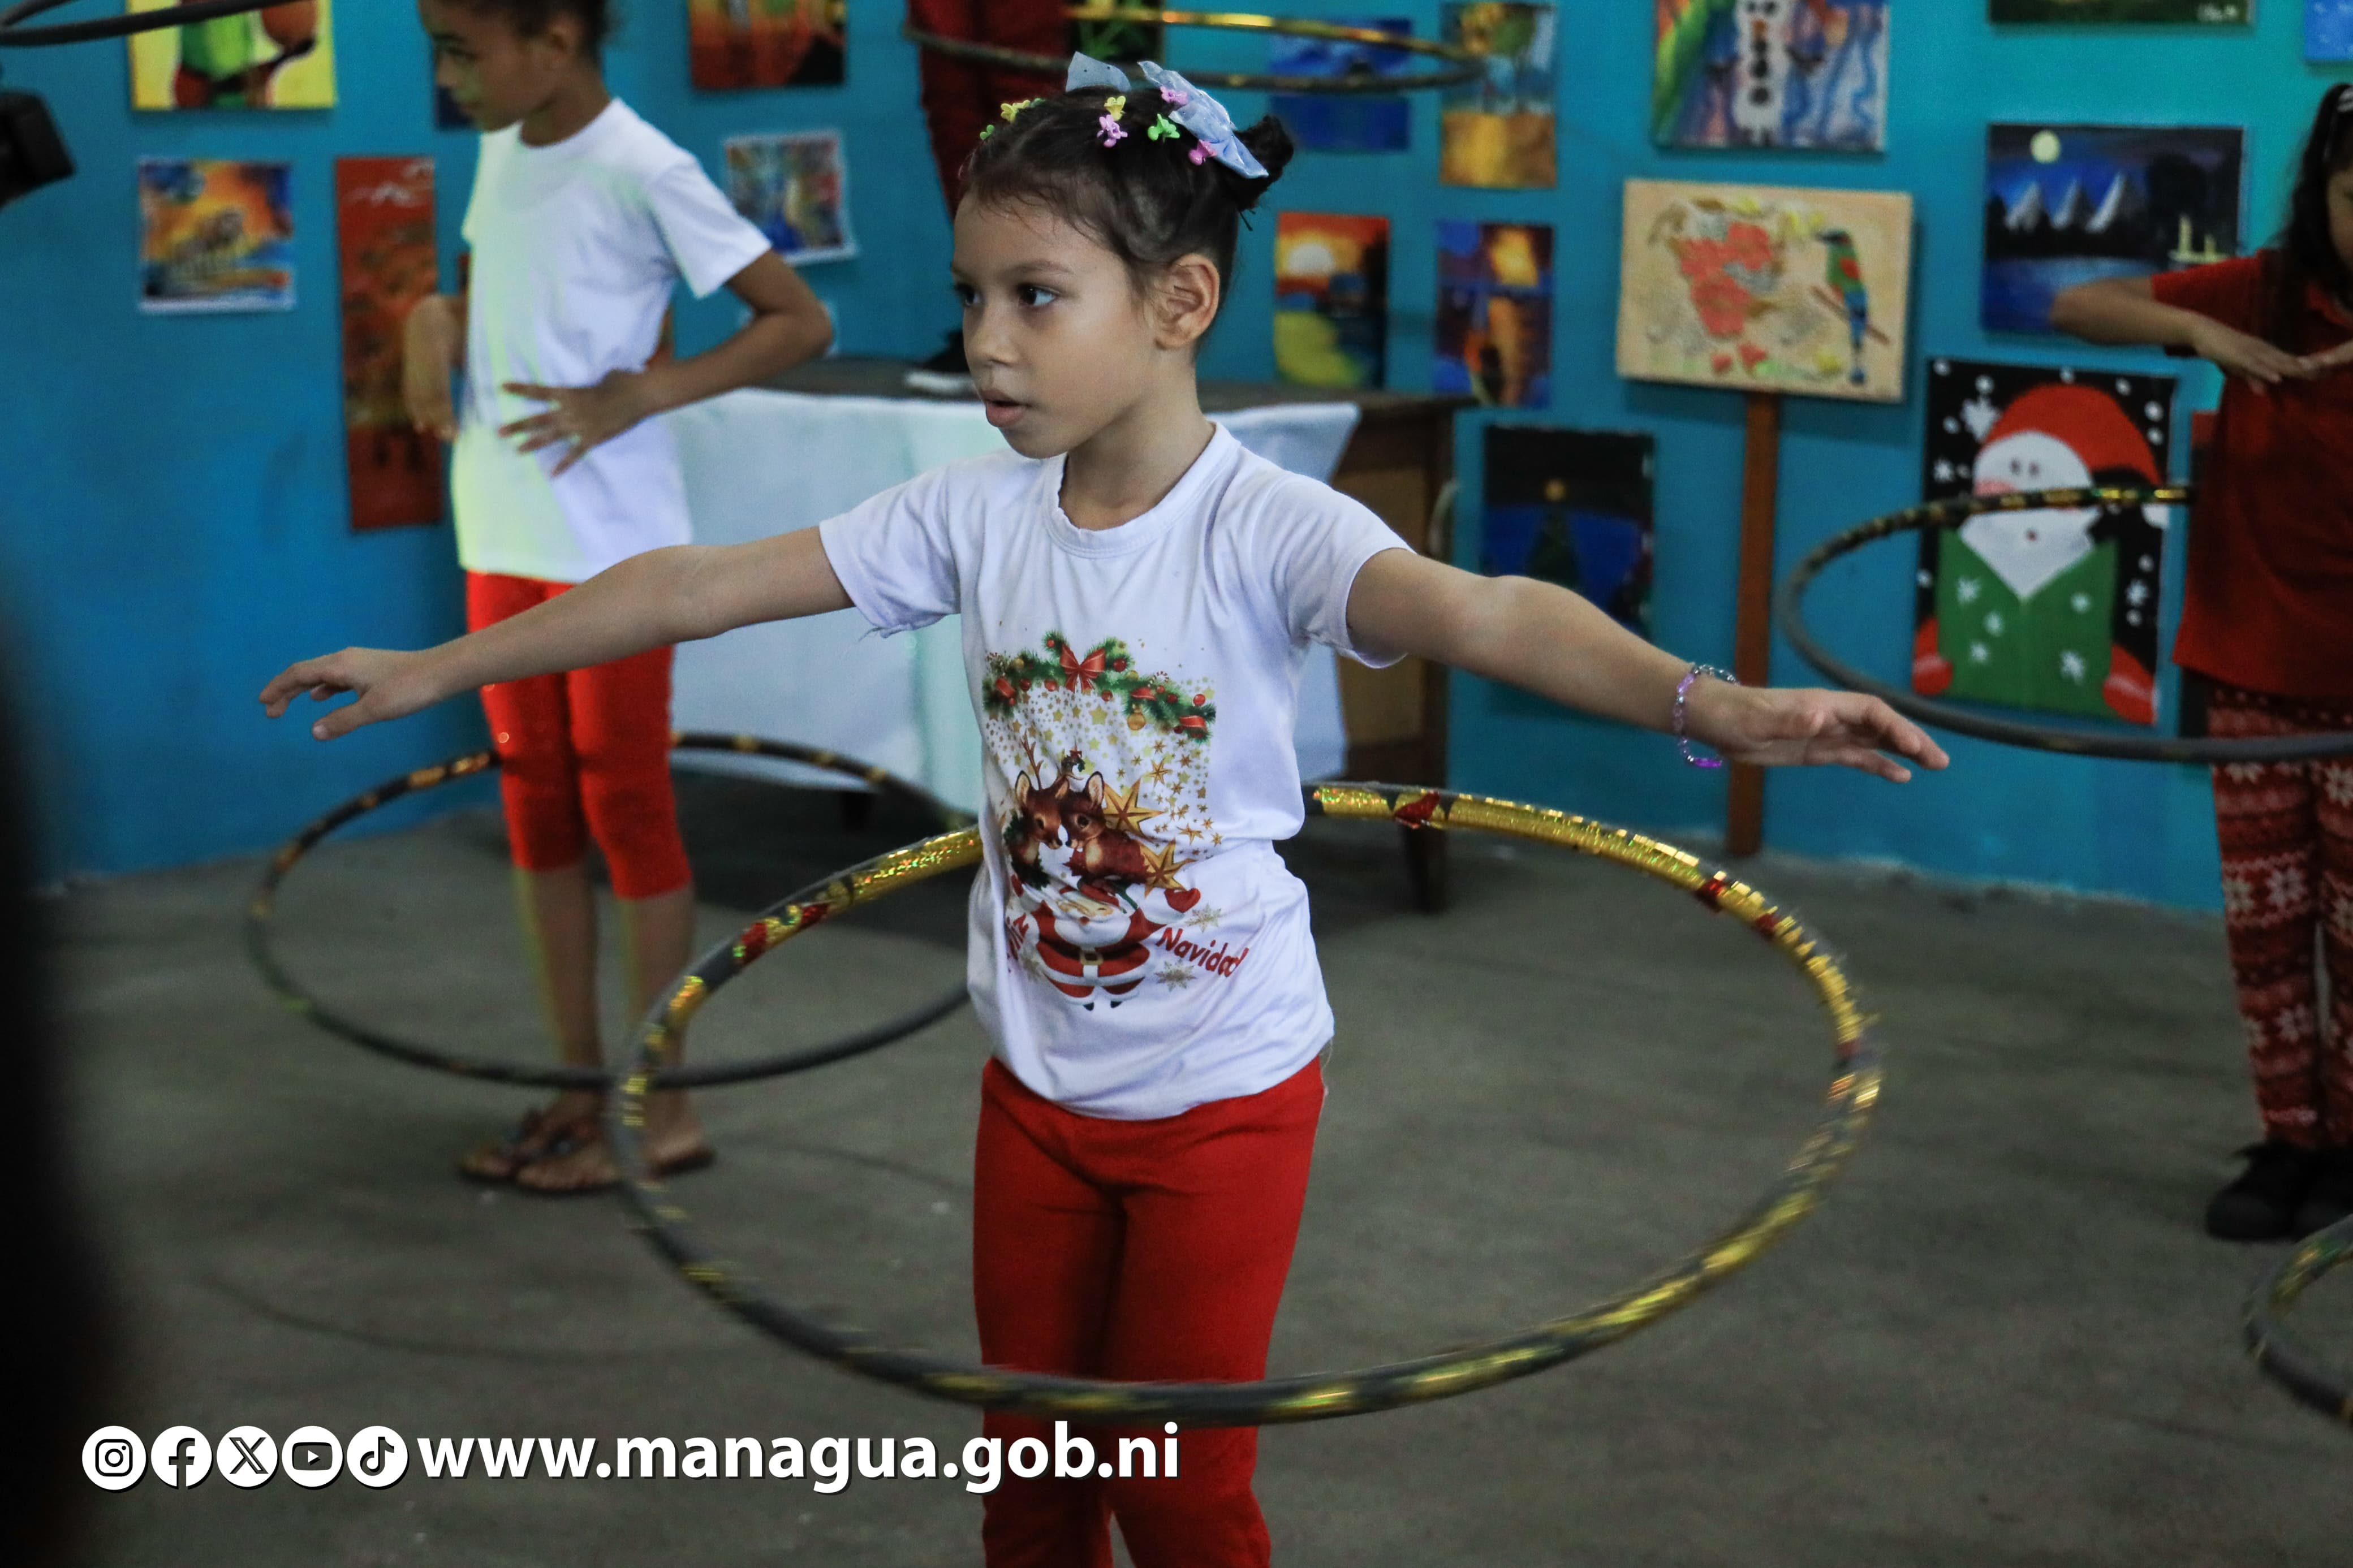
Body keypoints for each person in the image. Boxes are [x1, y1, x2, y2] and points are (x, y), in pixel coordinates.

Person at [272, 58, 1945, 1566]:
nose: (987, 340)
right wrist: (445, 661)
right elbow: (694, 583)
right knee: (1033, 1483)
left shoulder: (1268, 528)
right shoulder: (968, 515)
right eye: (973, 295)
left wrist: (1716, 705)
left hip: (1224, 1090)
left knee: (1179, 1492)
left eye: (1036, 296)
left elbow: (1490, 611)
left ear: (1178, 301)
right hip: (1036, 1085)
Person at [404, 0, 834, 1193]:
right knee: (535, 808)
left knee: (625, 804)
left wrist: (645, 393)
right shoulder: (501, 147)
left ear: (554, 42)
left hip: (612, 552)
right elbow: (503, 300)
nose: (448, 75)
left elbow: (799, 320)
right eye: (437, 49)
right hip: (499, 528)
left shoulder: (644, 166)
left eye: (462, 50)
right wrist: (431, 318)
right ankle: (579, 1084)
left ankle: (662, 1105)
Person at [2053, 83, 2353, 1242]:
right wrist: (2199, 332)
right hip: (2251, 669)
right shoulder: (2266, 291)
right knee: (2267, 935)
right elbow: (2080, 304)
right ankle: (2290, 1141)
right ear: (2320, 195)